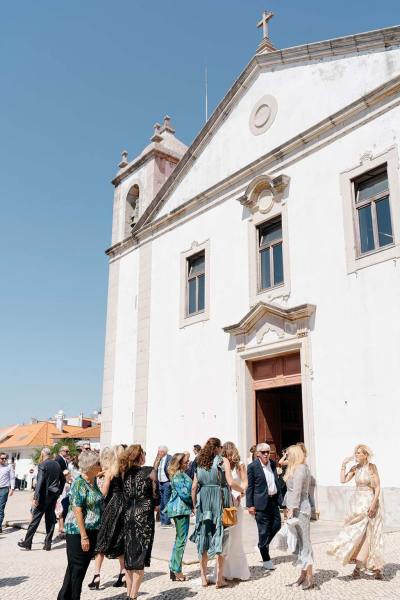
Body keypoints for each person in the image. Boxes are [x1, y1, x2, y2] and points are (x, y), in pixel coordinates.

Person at [190, 437, 244, 588]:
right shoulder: (222, 461)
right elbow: (231, 482)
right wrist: (243, 490)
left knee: (204, 538)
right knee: (222, 537)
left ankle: (203, 577)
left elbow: (194, 487)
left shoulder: (199, 461)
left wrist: (194, 506)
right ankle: (219, 579)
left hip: (204, 502)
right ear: (218, 448)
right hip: (221, 501)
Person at [328, 444, 384, 579]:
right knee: (356, 534)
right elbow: (343, 480)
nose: (357, 455)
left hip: (370, 503)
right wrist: (343, 465)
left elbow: (377, 487)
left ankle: (374, 568)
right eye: (356, 453)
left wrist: (373, 504)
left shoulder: (372, 467)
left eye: (359, 453)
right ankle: (357, 564)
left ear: (365, 455)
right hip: (357, 504)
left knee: (371, 535)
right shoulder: (355, 468)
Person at [57, 450, 103, 599]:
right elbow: (77, 511)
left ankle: (63, 597)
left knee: (74, 570)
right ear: (90, 466)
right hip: (78, 532)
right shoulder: (79, 483)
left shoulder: (92, 481)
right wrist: (84, 536)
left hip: (92, 530)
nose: (100, 465)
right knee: (77, 570)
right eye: (98, 463)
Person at [121, 444, 158, 600]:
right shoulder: (149, 471)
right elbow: (156, 495)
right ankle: (133, 596)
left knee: (129, 558)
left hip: (128, 516)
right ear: (140, 456)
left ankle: (130, 594)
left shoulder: (125, 473)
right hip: (144, 517)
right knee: (140, 558)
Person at [89, 445, 126, 590]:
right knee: (119, 540)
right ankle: (123, 574)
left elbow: (104, 493)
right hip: (124, 506)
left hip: (111, 507)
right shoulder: (123, 471)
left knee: (102, 541)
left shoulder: (109, 472)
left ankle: (96, 576)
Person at [246, 442, 282, 570]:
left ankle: (262, 545)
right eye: (263, 452)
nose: (266, 454)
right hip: (260, 503)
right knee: (263, 530)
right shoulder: (252, 467)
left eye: (268, 451)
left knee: (277, 524)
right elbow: (250, 487)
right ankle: (266, 559)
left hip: (273, 501)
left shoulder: (272, 463)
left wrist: (280, 498)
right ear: (258, 454)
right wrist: (250, 505)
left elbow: (275, 481)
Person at [217, 441, 250, 581]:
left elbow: (245, 482)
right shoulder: (222, 464)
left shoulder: (239, 464)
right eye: (227, 454)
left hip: (234, 506)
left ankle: (236, 571)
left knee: (235, 537)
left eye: (231, 453)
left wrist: (240, 494)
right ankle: (224, 571)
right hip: (225, 505)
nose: (230, 456)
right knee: (226, 537)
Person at [18, 447, 62, 551]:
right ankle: (48, 544)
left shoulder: (43, 464)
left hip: (43, 496)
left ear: (42, 454)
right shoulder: (57, 464)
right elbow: (63, 479)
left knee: (35, 520)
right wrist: (58, 491)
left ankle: (27, 543)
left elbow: (40, 481)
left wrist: (36, 497)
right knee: (50, 520)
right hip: (53, 495)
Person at [284, 445, 314, 589]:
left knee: (305, 543)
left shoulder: (301, 469)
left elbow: (296, 491)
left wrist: (291, 509)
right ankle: (302, 575)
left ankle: (309, 577)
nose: (286, 456)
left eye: (288, 454)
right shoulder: (296, 468)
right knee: (300, 543)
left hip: (301, 510)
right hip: (296, 509)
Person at [164, 453, 193, 581]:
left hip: (180, 509)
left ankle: (174, 567)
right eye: (186, 462)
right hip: (180, 509)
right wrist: (195, 504)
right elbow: (185, 494)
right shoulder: (178, 476)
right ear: (180, 463)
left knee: (179, 540)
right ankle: (176, 570)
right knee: (181, 540)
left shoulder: (180, 474)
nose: (188, 463)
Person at [153, 445, 172, 527]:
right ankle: (162, 521)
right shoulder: (159, 459)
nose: (158, 453)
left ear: (163, 452)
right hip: (160, 483)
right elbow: (155, 469)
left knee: (166, 501)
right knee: (161, 502)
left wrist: (171, 481)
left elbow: (172, 469)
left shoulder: (169, 458)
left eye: (159, 451)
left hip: (167, 482)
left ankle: (167, 522)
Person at [55, 445, 71, 538]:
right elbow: (60, 473)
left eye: (68, 451)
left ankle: (62, 525)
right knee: (60, 505)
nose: (68, 453)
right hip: (60, 485)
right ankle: (60, 526)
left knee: (63, 504)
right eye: (66, 451)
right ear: (61, 451)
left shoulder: (64, 460)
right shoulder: (58, 459)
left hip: (64, 485)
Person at [0, 453, 15, 533]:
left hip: (4, 489)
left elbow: (12, 478)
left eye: (5, 458)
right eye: (2, 458)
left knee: (1, 508)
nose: (4, 460)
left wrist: (12, 489)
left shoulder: (9, 467)